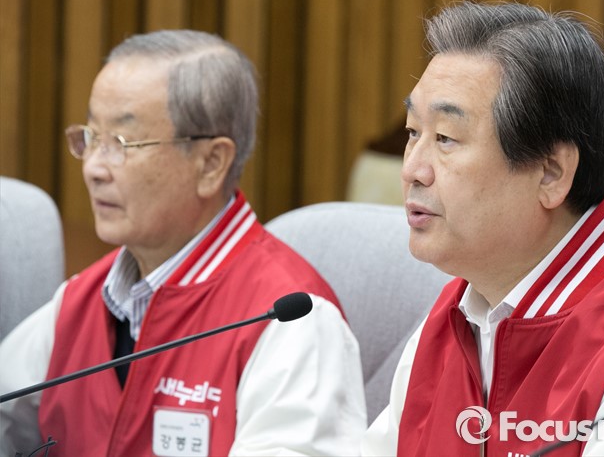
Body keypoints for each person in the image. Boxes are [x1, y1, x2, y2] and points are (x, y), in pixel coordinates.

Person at [0, 30, 366, 456]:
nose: (94, 168)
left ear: (211, 163)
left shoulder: (291, 321)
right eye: (92, 137)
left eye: (122, 143)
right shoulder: (79, 302)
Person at [361, 1, 604, 457]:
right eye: (412, 132)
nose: (412, 170)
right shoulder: (453, 317)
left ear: (550, 173)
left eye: (445, 138)